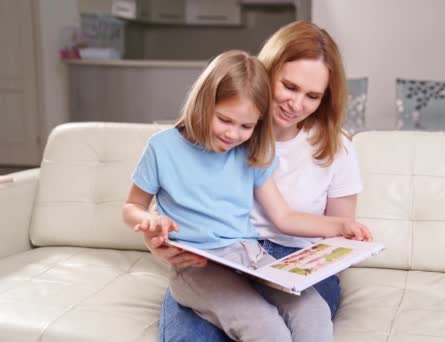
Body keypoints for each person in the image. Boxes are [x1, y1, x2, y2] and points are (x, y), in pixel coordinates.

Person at [123, 50, 371, 342]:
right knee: (266, 328)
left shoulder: (250, 150)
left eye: (246, 126)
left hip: (247, 257)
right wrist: (150, 221)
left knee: (314, 310)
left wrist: (341, 226)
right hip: (198, 267)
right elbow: (132, 206)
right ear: (204, 102)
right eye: (225, 120)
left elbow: (285, 217)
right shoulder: (162, 148)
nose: (233, 134)